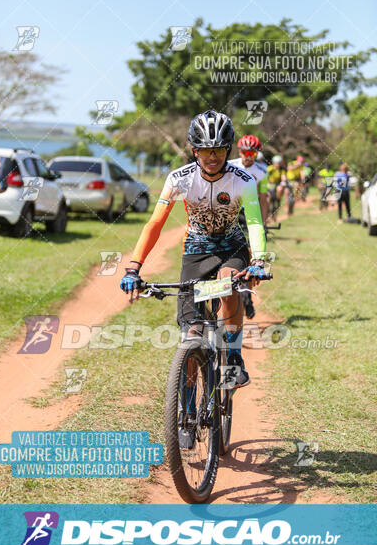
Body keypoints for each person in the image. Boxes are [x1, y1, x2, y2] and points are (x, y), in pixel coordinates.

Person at [120, 110, 267, 394]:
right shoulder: (179, 179)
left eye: (219, 150)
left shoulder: (244, 180)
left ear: (229, 149)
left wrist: (258, 260)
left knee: (228, 282)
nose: (213, 157)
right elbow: (155, 223)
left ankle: (234, 357)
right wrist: (133, 267)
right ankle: (186, 414)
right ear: (194, 150)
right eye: (205, 150)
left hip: (231, 248)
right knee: (191, 333)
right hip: (196, 252)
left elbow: (255, 222)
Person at [229, 135, 268, 224]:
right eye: (245, 153)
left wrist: (264, 222)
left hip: (249, 210)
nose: (249, 157)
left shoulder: (262, 172)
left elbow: (263, 200)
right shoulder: (229, 166)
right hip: (229, 209)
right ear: (240, 152)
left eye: (252, 153)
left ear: (257, 154)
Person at [267, 155, 287, 219]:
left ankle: (278, 201)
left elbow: (283, 177)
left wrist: (284, 182)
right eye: (276, 163)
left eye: (279, 163)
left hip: (277, 184)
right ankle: (268, 211)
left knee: (280, 189)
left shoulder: (282, 169)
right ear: (273, 163)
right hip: (269, 184)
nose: (277, 165)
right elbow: (265, 177)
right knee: (269, 197)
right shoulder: (270, 168)